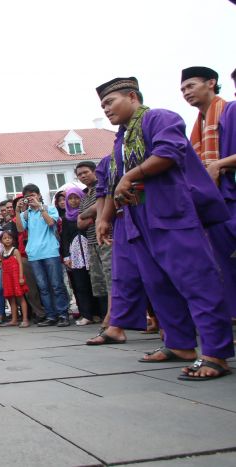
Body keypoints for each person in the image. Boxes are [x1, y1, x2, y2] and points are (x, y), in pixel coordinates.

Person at [94, 76, 233, 379]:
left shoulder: (161, 118)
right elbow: (114, 183)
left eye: (109, 102)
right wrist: (105, 217)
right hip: (137, 217)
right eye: (102, 105)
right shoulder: (122, 138)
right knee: (158, 285)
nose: (105, 109)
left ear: (132, 96)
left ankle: (216, 353)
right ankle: (180, 344)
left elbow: (169, 153)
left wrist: (131, 176)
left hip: (171, 212)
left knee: (197, 281)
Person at [180, 66, 236, 318]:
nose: (186, 92)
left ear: (211, 82)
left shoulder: (229, 111)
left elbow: (217, 164)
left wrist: (218, 164)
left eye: (191, 86)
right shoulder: (197, 125)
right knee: (224, 263)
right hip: (213, 200)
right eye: (182, 89)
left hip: (230, 192)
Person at [15, 184, 70, 327]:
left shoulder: (49, 209)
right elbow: (20, 229)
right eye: (28, 196)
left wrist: (39, 207)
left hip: (50, 251)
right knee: (43, 287)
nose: (31, 198)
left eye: (33, 195)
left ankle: (63, 314)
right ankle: (51, 315)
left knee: (56, 285)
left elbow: (51, 223)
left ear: (39, 195)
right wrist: (17, 211)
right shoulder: (25, 214)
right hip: (34, 254)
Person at [75, 161, 112, 328]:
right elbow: (79, 223)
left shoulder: (101, 187)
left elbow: (100, 207)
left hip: (106, 238)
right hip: (91, 242)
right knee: (100, 283)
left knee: (112, 278)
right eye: (79, 174)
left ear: (95, 171)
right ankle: (107, 315)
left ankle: (111, 319)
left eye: (85, 172)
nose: (83, 176)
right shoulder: (84, 196)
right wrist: (91, 214)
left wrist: (88, 214)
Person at [61, 187, 105, 325]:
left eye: (76, 198)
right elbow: (65, 238)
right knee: (81, 284)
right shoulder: (66, 218)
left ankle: (101, 313)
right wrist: (67, 256)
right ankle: (87, 314)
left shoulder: (88, 213)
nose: (73, 201)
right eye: (70, 199)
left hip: (90, 248)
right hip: (76, 254)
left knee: (96, 282)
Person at [0, 231, 29, 327]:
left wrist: (21, 277)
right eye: (5, 238)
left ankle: (25, 319)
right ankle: (14, 320)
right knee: (11, 299)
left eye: (9, 238)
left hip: (16, 277)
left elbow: (20, 264)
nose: (7, 239)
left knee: (21, 297)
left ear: (12, 239)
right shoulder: (2, 253)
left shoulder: (15, 251)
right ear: (1, 241)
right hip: (7, 278)